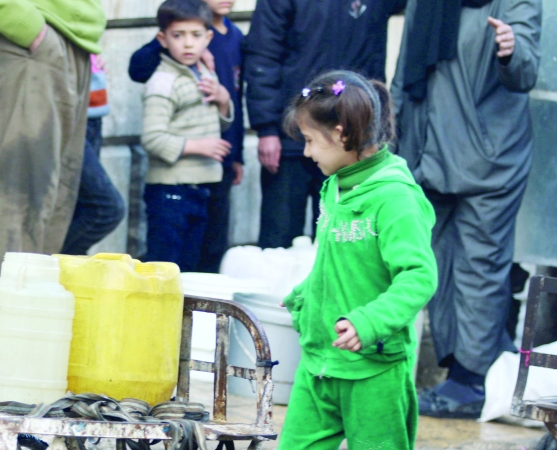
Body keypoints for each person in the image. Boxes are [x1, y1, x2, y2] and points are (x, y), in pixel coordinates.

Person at [250, 71, 437, 450]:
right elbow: (337, 263)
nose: (305, 152)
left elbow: (418, 276)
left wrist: (370, 320)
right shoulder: (336, 188)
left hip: (374, 371)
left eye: (311, 141)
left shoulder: (396, 197)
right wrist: (308, 295)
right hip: (320, 366)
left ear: (343, 133)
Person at [392, 0, 542, 419]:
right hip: (427, 152)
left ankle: (471, 380)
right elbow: (404, 74)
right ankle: (459, 371)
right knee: (434, 267)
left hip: (489, 158)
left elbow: (527, 71)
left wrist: (512, 51)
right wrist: (390, 140)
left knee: (481, 267)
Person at [0, 0, 105, 281]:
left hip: (75, 41)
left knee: (58, 200)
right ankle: (6, 319)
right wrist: (28, 27)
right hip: (34, 39)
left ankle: (33, 316)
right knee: (24, 199)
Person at [244, 0, 402, 249]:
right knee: (279, 242)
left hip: (351, 141)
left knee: (341, 240)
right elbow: (263, 55)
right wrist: (266, 128)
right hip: (292, 135)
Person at [128, 0, 245, 273]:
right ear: (163, 39)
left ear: (208, 38)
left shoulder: (205, 70)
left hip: (200, 187)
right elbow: (152, 138)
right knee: (164, 270)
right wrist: (199, 146)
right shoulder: (163, 81)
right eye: (178, 36)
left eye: (195, 36)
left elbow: (218, 122)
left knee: (191, 270)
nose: (188, 44)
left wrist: (225, 100)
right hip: (170, 191)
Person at [60, 54, 127, 255]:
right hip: (65, 119)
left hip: (93, 116)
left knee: (80, 209)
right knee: (106, 209)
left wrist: (90, 60)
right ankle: (53, 264)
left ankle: (66, 272)